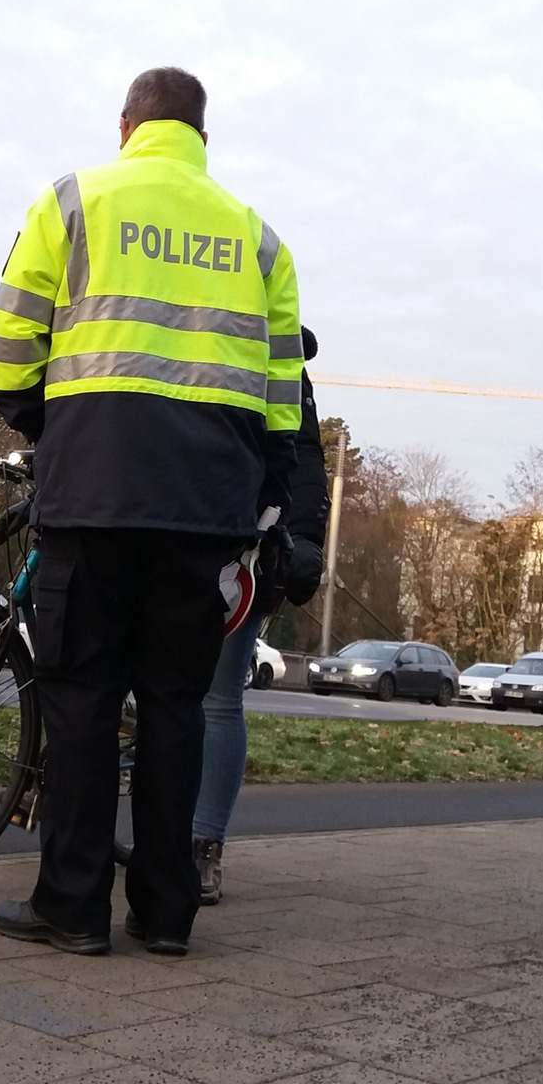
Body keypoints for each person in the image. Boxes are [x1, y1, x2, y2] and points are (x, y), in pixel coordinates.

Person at [0, 66, 303, 956]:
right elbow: (283, 392)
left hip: (94, 490)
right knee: (175, 702)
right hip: (206, 507)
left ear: (128, 125)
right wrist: (261, 481)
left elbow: (12, 331)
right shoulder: (259, 239)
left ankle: (74, 907)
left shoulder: (76, 200)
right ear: (202, 136)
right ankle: (167, 916)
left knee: (80, 695)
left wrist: (43, 421)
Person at [194, 326, 330, 905]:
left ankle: (202, 846)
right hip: (212, 528)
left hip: (240, 542)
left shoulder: (276, 354)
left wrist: (300, 542)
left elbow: (301, 455)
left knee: (219, 697)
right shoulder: (267, 342)